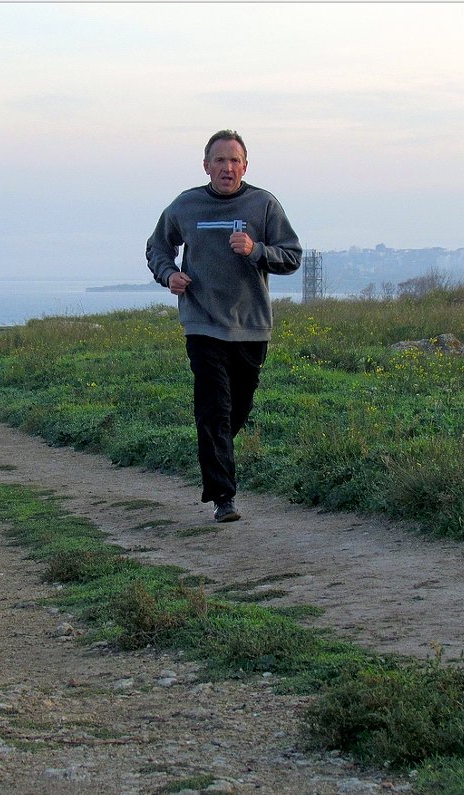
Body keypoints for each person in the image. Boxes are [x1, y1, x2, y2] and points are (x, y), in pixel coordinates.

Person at [146, 129, 302, 523]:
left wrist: (256, 250)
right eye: (219, 160)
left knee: (238, 407)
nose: (227, 167)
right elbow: (158, 247)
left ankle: (213, 454)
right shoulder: (187, 205)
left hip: (251, 326)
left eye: (234, 161)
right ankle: (223, 497)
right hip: (202, 323)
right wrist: (169, 276)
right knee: (214, 408)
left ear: (245, 166)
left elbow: (292, 256)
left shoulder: (263, 205)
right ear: (206, 166)